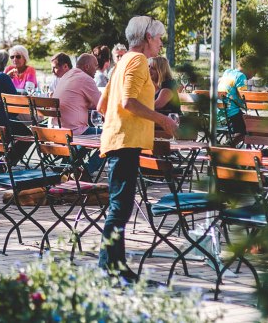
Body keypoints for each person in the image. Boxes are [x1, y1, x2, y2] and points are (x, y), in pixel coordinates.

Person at [97, 16, 177, 281]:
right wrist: (162, 119)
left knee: (119, 206)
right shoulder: (138, 61)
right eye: (158, 38)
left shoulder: (122, 63)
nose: (160, 43)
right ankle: (113, 269)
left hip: (119, 139)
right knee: (120, 208)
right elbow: (129, 101)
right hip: (125, 141)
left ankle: (110, 266)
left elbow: (102, 105)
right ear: (146, 38)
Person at [53, 53, 101, 136]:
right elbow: (102, 105)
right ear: (87, 67)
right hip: (75, 132)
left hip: (57, 131)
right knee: (112, 135)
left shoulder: (67, 75)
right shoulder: (86, 79)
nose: (97, 69)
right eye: (96, 65)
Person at [217, 55, 257, 144]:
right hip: (230, 112)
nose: (254, 75)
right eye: (255, 71)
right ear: (250, 67)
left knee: (243, 119)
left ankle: (229, 146)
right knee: (247, 127)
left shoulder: (228, 72)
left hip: (219, 111)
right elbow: (244, 96)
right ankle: (227, 147)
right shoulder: (241, 76)